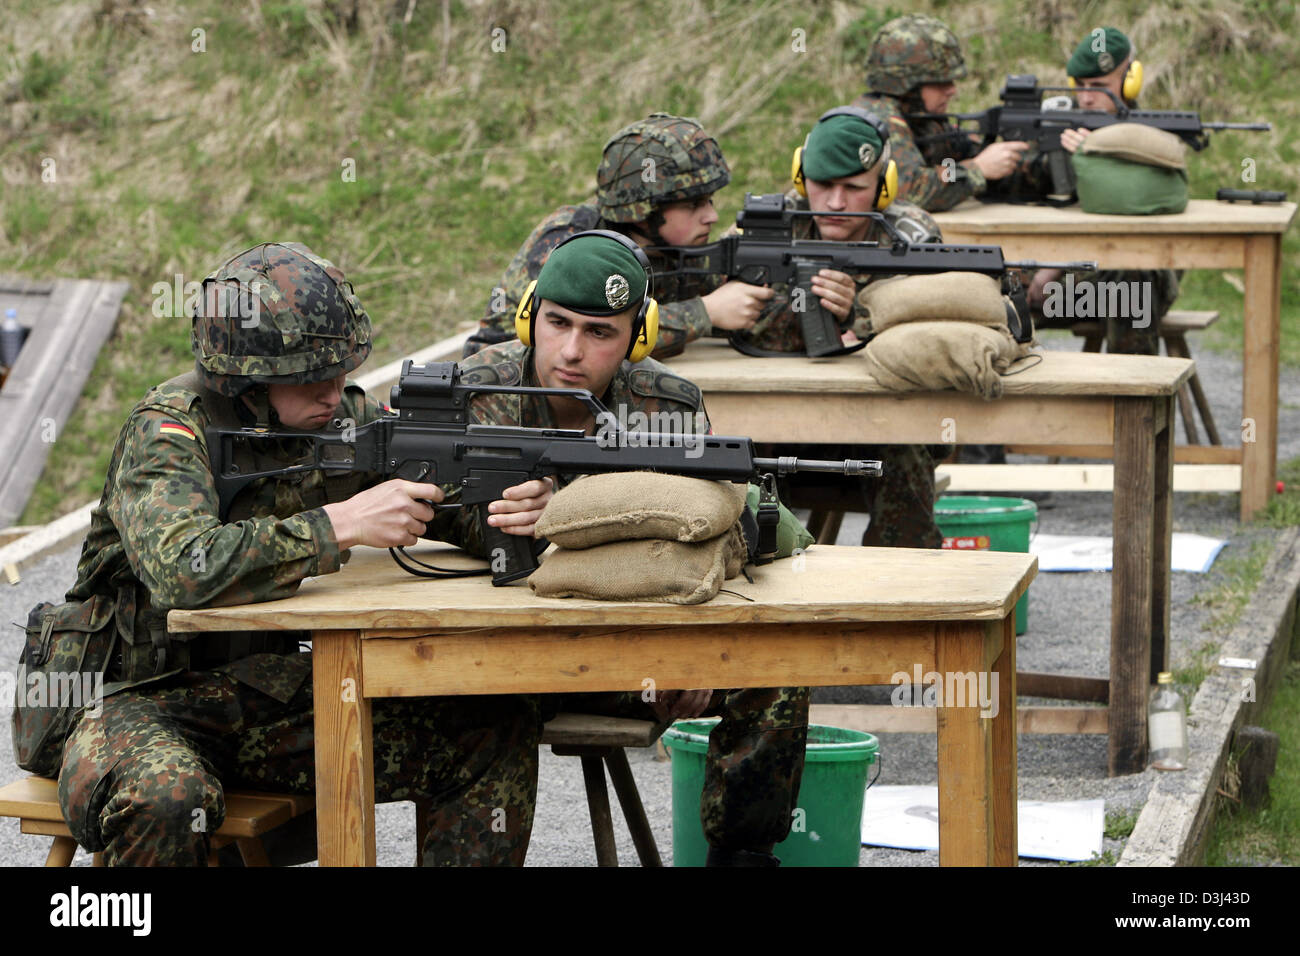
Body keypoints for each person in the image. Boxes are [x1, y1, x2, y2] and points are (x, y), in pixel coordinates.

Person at [21, 242, 544, 866]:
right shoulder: (167, 433)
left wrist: (508, 509)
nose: (334, 391)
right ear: (244, 379)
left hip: (254, 697)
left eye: (340, 372)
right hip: (125, 700)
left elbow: (448, 500)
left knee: (491, 727)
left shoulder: (338, 419)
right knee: (165, 795)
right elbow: (185, 571)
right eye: (311, 378)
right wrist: (339, 525)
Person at [431, 231, 810, 866]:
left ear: (637, 336)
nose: (571, 351)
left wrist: (697, 648)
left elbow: (713, 537)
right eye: (557, 323)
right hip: (497, 657)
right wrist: (494, 519)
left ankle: (741, 856)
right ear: (529, 315)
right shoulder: (469, 394)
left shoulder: (667, 407)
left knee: (777, 673)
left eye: (600, 332)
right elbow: (419, 508)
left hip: (624, 657)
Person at [737, 106, 945, 549]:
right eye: (823, 185)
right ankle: (767, 581)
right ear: (799, 178)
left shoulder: (910, 236)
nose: (835, 203)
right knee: (740, 453)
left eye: (854, 188)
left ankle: (904, 594)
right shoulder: (772, 228)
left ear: (884, 187)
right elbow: (740, 323)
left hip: (879, 420)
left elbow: (931, 332)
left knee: (906, 446)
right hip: (783, 416)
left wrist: (862, 313)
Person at [463, 112, 775, 360]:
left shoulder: (670, 248)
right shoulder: (576, 244)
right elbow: (582, 343)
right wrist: (705, 312)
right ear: (643, 211)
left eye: (710, 201)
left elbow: (747, 318)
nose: (711, 216)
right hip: (510, 383)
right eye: (693, 205)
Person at [1023, 26, 1180, 355]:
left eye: (1098, 87)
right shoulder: (1062, 127)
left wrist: (1096, 155)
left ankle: (1134, 403)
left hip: (1138, 284)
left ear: (1129, 81)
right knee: (992, 292)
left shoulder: (1150, 138)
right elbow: (1031, 194)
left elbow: (1135, 205)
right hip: (1074, 294)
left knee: (1131, 284)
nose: (1086, 97)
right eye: (1079, 86)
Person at [853, 14, 1030, 213]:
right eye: (940, 82)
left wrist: (1032, 166)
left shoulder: (921, 118)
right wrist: (977, 169)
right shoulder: (878, 120)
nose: (952, 90)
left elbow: (962, 161)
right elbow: (913, 190)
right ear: (908, 84)